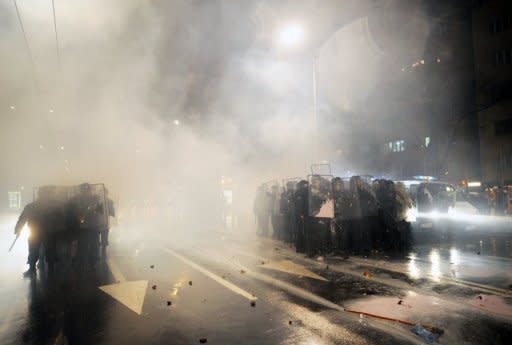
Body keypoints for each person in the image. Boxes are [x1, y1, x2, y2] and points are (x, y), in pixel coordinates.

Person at [14, 200, 45, 276]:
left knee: (33, 249)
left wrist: (18, 229)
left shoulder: (31, 206)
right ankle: (43, 264)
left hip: (35, 231)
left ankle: (32, 269)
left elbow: (22, 218)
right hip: (47, 232)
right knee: (46, 248)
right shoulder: (49, 206)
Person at [294, 180, 308, 253]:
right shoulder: (299, 192)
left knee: (300, 230)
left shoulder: (299, 192)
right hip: (301, 215)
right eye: (305, 185)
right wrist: (301, 213)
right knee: (301, 231)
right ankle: (300, 247)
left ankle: (300, 247)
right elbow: (299, 204)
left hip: (300, 214)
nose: (306, 186)